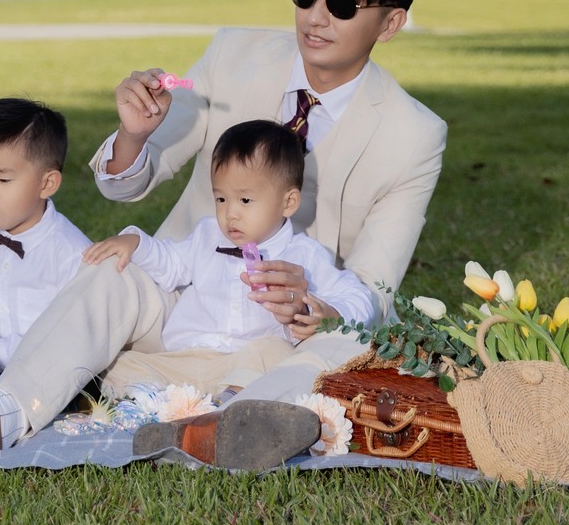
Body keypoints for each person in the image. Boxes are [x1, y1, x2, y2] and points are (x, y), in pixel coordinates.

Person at [0, 0, 447, 464]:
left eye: (342, 3)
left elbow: (372, 291)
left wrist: (317, 309)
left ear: (390, 23)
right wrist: (134, 135)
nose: (315, 17)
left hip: (289, 336)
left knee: (349, 341)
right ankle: (0, 413)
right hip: (186, 300)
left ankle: (227, 425)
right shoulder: (233, 55)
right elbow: (134, 179)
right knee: (113, 266)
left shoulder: (414, 136)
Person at [80, 119, 375, 398]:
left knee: (277, 352)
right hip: (189, 360)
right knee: (122, 364)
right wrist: (136, 242)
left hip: (247, 365)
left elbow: (359, 297)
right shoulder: (206, 236)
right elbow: (170, 263)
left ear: (288, 203)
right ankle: (161, 401)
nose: (230, 213)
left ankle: (225, 406)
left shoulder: (304, 255)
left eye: (245, 200)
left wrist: (324, 312)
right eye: (221, 198)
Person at [0, 98, 91, 376]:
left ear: (46, 184)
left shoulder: (72, 254)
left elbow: (73, 338)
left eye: (3, 180)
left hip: (47, 376)